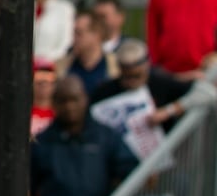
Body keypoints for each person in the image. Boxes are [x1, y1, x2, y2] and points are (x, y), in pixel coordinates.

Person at [31, 76, 138, 196]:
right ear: (54, 103)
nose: (69, 107)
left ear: (85, 99)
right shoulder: (42, 142)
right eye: (63, 101)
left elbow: (130, 170)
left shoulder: (106, 136)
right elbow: (27, 186)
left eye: (74, 99)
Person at [87, 38, 216, 134]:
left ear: (147, 65)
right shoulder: (105, 91)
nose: (131, 82)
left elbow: (206, 93)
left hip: (159, 157)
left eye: (137, 76)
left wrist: (167, 111)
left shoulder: (161, 83)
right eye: (127, 77)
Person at [58, 9, 118, 97]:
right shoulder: (61, 67)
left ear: (97, 34)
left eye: (79, 33)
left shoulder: (116, 67)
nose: (73, 38)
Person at [33, 0, 76, 65]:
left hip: (52, 70)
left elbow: (66, 45)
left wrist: (42, 61)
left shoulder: (64, 9)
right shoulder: (23, 8)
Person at [30, 60, 57, 137]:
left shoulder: (61, 113)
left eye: (49, 78)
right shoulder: (22, 114)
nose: (44, 83)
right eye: (38, 78)